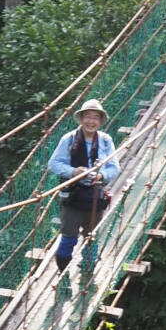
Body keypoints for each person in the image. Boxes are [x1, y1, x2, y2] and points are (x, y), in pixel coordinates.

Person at [47, 98, 119, 275]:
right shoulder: (69, 139)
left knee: (91, 236)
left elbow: (115, 168)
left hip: (95, 195)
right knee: (68, 235)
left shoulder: (105, 141)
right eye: (87, 116)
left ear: (100, 121)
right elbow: (53, 164)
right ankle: (62, 270)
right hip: (73, 195)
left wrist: (102, 175)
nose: (91, 121)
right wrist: (73, 172)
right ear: (81, 119)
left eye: (96, 117)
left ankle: (88, 270)